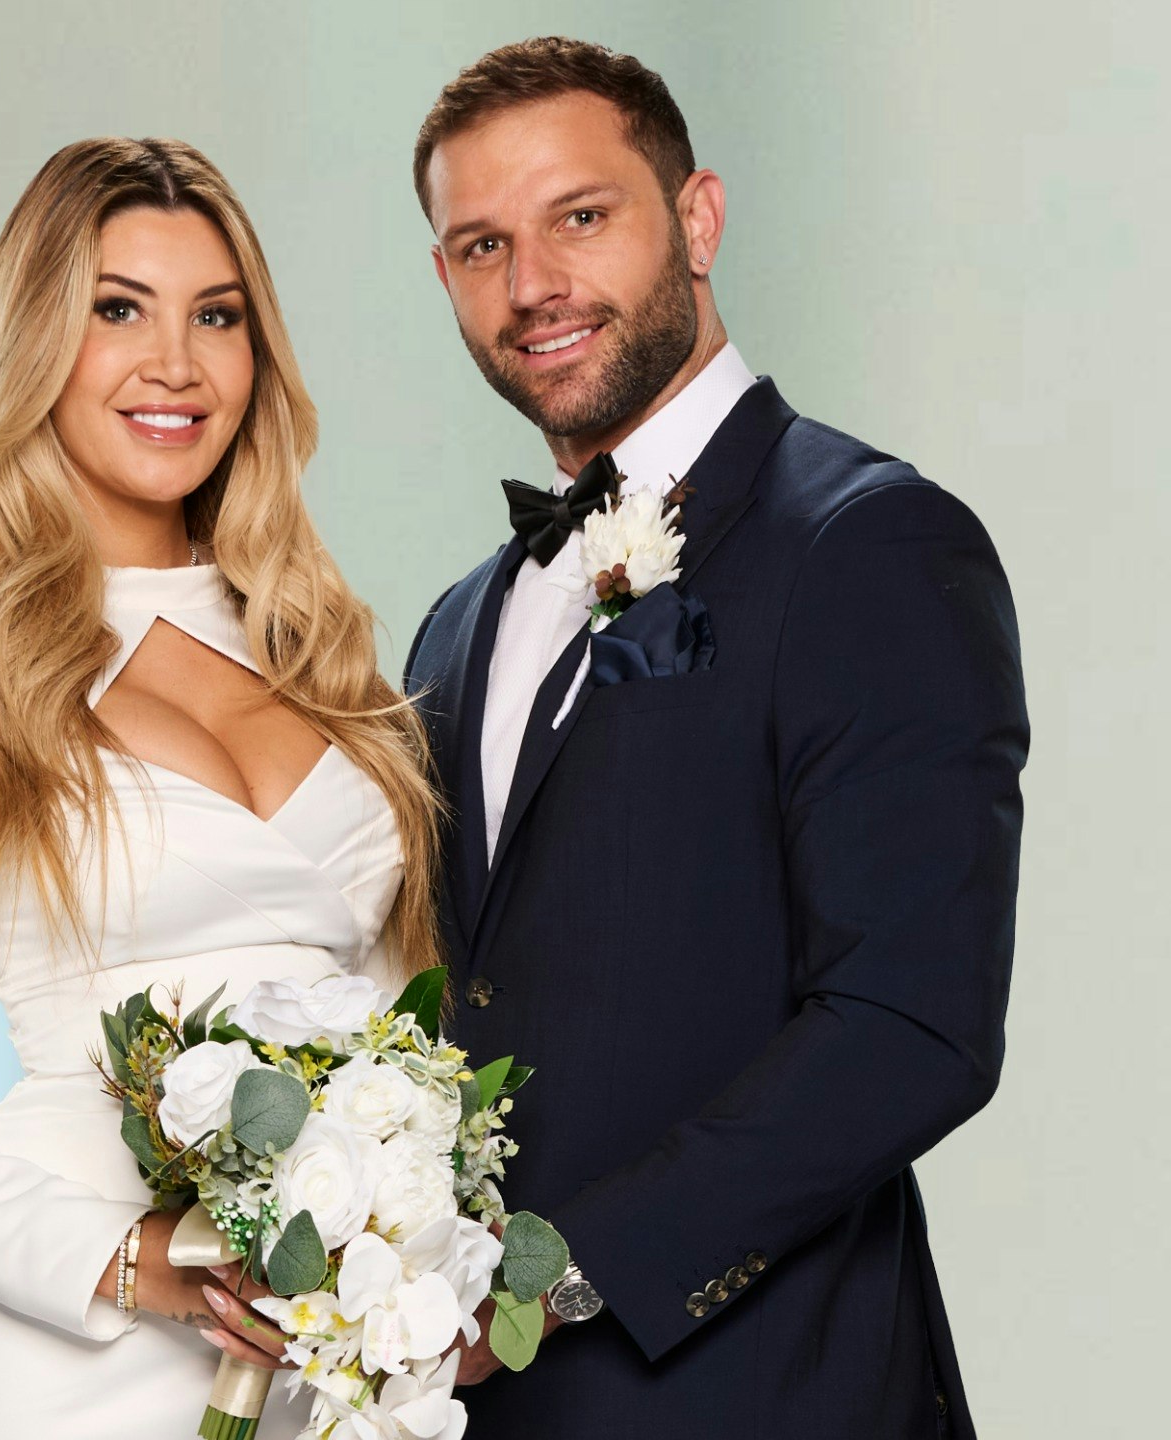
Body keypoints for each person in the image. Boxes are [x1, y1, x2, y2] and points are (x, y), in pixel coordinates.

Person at [0, 137, 442, 1438]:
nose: (174, 361)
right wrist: (122, 1260)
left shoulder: (321, 649)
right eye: (119, 310)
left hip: (322, 1344)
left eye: (216, 317)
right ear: (35, 344)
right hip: (64, 1340)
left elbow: (407, 1020)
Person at [401, 38, 1029, 1437]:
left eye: (580, 216)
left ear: (697, 219)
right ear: (445, 278)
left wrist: (554, 1280)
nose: (533, 283)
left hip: (772, 1395)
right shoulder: (454, 628)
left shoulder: (870, 543)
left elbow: (912, 1025)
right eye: (484, 244)